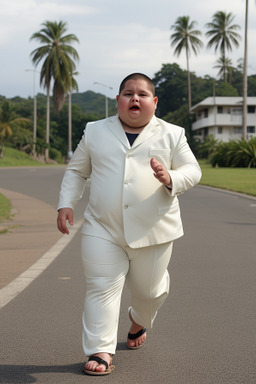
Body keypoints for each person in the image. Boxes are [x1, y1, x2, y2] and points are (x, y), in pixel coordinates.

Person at [57, 73, 202, 376]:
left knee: (149, 293)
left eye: (142, 94)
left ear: (154, 102)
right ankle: (101, 350)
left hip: (155, 230)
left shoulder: (172, 134)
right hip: (103, 227)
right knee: (101, 287)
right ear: (118, 100)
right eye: (127, 93)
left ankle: (138, 320)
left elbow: (193, 170)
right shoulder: (96, 131)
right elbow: (76, 171)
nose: (134, 98)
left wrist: (170, 177)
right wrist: (66, 203)